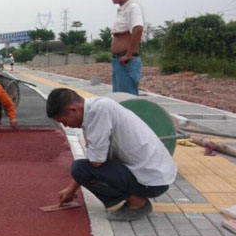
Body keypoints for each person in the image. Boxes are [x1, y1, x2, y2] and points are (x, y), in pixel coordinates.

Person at [46, 88, 177, 221]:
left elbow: (95, 162)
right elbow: (95, 158)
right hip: (154, 174)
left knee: (79, 168)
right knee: (83, 168)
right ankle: (134, 199)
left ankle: (137, 204)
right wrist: (71, 189)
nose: (66, 126)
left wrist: (73, 187)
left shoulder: (98, 113)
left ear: (73, 110)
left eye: (64, 121)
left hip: (152, 179)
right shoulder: (96, 107)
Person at [107, 0, 144, 96]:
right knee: (119, 99)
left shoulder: (132, 7)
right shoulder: (122, 9)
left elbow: (138, 29)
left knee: (127, 100)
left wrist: (129, 54)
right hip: (119, 61)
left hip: (126, 62)